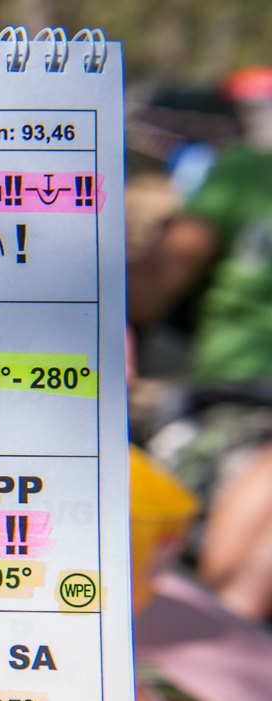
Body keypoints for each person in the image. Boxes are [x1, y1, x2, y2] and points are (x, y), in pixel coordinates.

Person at [130, 66, 272, 621]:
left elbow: (153, 282)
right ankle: (226, 638)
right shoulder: (247, 171)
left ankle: (226, 641)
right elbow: (151, 285)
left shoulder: (243, 171)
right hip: (236, 400)